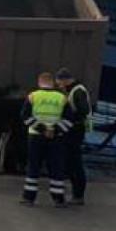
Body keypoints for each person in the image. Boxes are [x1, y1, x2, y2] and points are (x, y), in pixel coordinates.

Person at [20, 72, 74, 208]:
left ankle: (29, 198)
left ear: (39, 82)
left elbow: (25, 116)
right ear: (53, 83)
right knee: (56, 167)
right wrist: (54, 130)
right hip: (56, 138)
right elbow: (69, 120)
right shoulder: (62, 98)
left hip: (35, 137)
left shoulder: (33, 96)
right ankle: (58, 199)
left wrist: (42, 129)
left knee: (33, 167)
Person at [56, 67, 92, 206]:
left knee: (75, 163)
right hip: (75, 129)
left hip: (76, 131)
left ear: (65, 80)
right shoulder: (75, 90)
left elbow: (83, 110)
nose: (59, 86)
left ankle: (78, 195)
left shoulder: (77, 91)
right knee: (71, 162)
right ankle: (76, 194)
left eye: (59, 83)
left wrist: (69, 119)